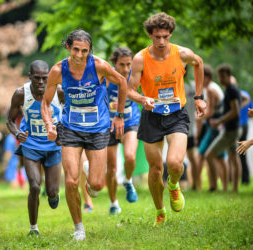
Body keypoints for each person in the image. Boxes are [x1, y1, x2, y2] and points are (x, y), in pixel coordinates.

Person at [41, 30, 127, 241]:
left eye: (84, 51)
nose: (79, 55)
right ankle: (79, 228)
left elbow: (122, 83)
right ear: (68, 47)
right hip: (70, 127)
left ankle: (91, 177)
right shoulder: (58, 70)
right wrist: (49, 125)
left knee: (97, 185)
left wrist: (120, 116)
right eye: (76, 50)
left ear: (89, 51)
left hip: (98, 127)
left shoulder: (99, 66)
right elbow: (45, 102)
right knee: (70, 181)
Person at [127, 12, 206, 225]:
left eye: (165, 36)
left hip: (176, 115)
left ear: (170, 34)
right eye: (156, 37)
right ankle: (160, 211)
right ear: (150, 36)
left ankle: (173, 185)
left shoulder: (181, 53)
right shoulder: (140, 58)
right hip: (151, 116)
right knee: (155, 171)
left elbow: (199, 63)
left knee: (174, 163)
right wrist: (143, 99)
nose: (161, 41)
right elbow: (130, 90)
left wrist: (199, 97)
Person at [7, 60, 64, 236]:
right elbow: (10, 120)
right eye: (37, 78)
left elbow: (69, 112)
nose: (41, 82)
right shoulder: (21, 94)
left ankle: (54, 195)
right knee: (34, 186)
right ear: (30, 76)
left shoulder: (58, 92)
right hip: (30, 145)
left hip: (53, 146)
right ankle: (33, 228)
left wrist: (62, 131)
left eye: (44, 78)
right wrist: (17, 133)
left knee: (52, 191)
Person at [105, 46, 140, 215]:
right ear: (114, 64)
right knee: (111, 168)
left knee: (130, 157)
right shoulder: (106, 76)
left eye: (128, 64)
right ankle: (113, 203)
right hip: (110, 125)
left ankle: (127, 181)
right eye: (121, 65)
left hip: (130, 121)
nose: (125, 69)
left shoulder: (135, 74)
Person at [206, 64, 242, 192]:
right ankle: (233, 189)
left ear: (229, 76)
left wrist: (219, 121)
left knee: (209, 155)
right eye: (219, 76)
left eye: (223, 76)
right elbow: (244, 99)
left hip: (230, 130)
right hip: (232, 128)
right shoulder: (231, 89)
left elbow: (235, 111)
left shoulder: (232, 90)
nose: (220, 79)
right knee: (233, 157)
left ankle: (214, 186)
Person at [195, 65, 226, 191]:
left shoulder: (212, 90)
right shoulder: (209, 88)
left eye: (201, 77)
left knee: (211, 155)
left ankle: (216, 186)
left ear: (207, 77)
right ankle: (215, 186)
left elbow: (211, 112)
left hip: (215, 126)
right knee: (214, 156)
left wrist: (198, 117)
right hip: (212, 126)